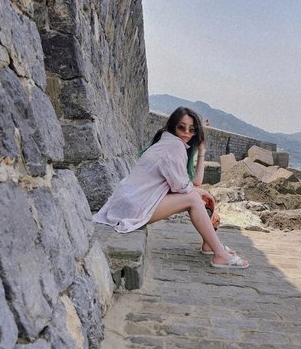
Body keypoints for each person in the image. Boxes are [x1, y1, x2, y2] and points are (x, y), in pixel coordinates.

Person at [93, 106, 249, 269]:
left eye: (192, 130)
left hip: (130, 201)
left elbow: (196, 182)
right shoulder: (174, 146)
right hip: (134, 205)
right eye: (182, 127)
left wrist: (201, 151)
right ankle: (220, 253)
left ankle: (210, 244)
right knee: (194, 199)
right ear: (173, 126)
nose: (186, 133)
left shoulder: (168, 142)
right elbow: (183, 187)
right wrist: (201, 192)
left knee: (196, 196)